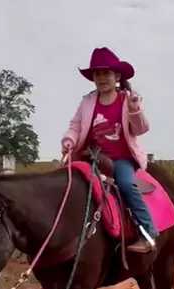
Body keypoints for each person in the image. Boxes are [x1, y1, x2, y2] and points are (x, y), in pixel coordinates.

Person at [61, 47, 159, 253]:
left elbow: (140, 129)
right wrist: (69, 140)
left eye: (106, 73)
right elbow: (76, 126)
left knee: (126, 184)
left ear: (117, 76)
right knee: (65, 182)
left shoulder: (127, 100)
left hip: (120, 159)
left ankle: (148, 232)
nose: (102, 78)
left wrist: (134, 110)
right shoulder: (88, 102)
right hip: (91, 156)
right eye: (97, 74)